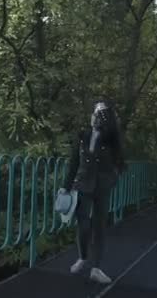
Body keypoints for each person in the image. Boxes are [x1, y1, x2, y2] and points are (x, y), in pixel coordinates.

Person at [62, 99, 126, 284]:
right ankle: (83, 257)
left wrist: (112, 179)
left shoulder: (112, 139)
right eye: (94, 113)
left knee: (99, 226)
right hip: (82, 185)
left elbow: (120, 163)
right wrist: (65, 187)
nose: (94, 116)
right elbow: (73, 162)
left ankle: (96, 267)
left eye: (99, 114)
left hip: (103, 186)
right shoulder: (83, 135)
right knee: (83, 225)